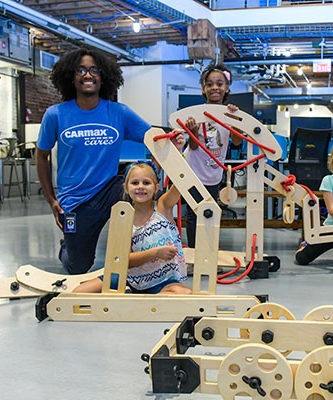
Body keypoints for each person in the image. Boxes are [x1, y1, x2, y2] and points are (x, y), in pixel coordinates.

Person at [36, 47, 153, 275]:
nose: (88, 75)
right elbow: (41, 156)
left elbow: (153, 138)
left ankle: (136, 254)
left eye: (94, 70)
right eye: (81, 70)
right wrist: (51, 199)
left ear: (103, 76)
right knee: (78, 267)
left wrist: (179, 134)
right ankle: (68, 248)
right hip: (74, 202)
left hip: (109, 189)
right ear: (71, 76)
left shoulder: (119, 112)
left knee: (136, 189)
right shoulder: (56, 114)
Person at [73, 158, 192, 294]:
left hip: (163, 282)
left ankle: (145, 304)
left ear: (156, 187)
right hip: (128, 278)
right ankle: (146, 305)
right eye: (135, 183)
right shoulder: (123, 219)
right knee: (78, 293)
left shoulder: (163, 207)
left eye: (146, 183)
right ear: (126, 188)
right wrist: (155, 253)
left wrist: (175, 151)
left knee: (184, 294)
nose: (140, 186)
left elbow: (181, 181)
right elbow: (123, 260)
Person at [183, 63, 243, 248]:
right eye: (209, 84)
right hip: (193, 170)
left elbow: (237, 142)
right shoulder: (197, 114)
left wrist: (235, 120)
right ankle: (195, 254)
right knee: (194, 213)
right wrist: (192, 131)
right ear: (203, 88)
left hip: (213, 173)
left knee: (210, 212)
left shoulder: (229, 113)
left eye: (219, 83)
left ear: (226, 88)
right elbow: (193, 146)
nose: (215, 87)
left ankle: (207, 252)